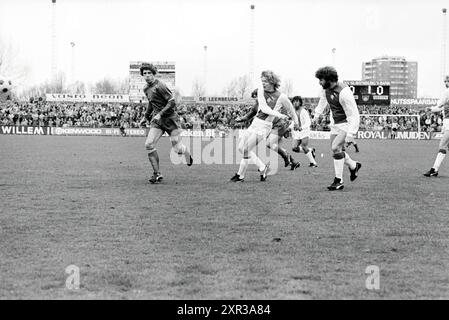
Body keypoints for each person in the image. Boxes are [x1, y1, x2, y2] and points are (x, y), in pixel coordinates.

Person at [230, 70, 300, 182]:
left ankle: (240, 176)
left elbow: (291, 110)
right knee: (241, 148)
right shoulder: (261, 91)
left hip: (264, 126)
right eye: (262, 81)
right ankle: (262, 167)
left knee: (246, 148)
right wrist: (279, 115)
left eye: (265, 81)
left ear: (272, 81)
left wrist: (296, 123)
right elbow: (263, 108)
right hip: (255, 123)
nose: (263, 83)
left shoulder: (281, 97)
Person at [139, 63, 193, 184]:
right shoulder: (146, 89)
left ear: (153, 74)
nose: (147, 76)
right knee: (148, 144)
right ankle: (157, 174)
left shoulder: (160, 85)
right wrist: (146, 117)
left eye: (149, 73)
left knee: (177, 148)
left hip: (171, 119)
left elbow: (172, 102)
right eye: (145, 74)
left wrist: (160, 114)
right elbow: (151, 103)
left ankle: (185, 152)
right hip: (158, 122)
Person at [312, 66, 362, 190]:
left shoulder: (344, 92)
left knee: (335, 147)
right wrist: (317, 115)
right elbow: (322, 101)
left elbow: (354, 114)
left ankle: (338, 180)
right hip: (335, 123)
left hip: (347, 123)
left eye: (321, 79)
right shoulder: (326, 89)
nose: (319, 82)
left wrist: (351, 134)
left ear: (329, 79)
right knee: (336, 150)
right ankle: (353, 165)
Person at [235, 89, 301, 170]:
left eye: (257, 97)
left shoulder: (269, 102)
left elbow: (288, 111)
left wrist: (290, 125)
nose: (256, 99)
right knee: (274, 145)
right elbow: (251, 113)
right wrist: (241, 119)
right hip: (270, 126)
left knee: (269, 144)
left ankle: (284, 157)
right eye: (255, 97)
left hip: (278, 125)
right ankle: (292, 162)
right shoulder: (258, 104)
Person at [423, 75, 449, 177]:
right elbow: (441, 108)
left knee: (442, 145)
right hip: (447, 122)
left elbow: (439, 104)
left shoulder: (447, 92)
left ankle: (434, 169)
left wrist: (430, 108)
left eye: (446, 81)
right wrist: (431, 109)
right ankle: (435, 169)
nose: (445, 84)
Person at [290, 96, 318, 167]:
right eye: (294, 101)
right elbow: (294, 122)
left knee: (303, 146)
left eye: (297, 101)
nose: (295, 103)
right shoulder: (293, 111)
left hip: (304, 131)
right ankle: (311, 150)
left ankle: (313, 163)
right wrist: (289, 128)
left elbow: (308, 122)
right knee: (294, 148)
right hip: (297, 132)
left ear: (300, 102)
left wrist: (301, 128)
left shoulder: (304, 111)